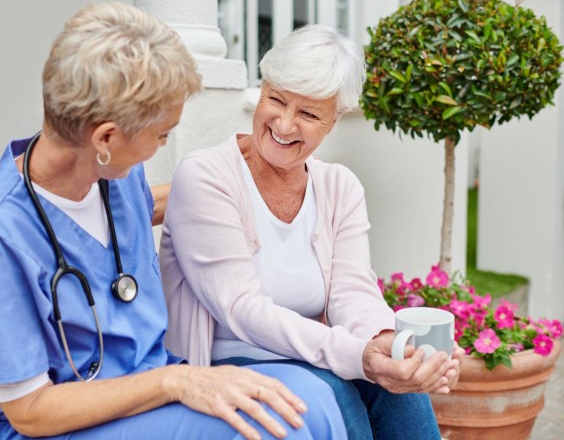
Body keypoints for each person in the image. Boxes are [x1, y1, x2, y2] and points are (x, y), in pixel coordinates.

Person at [0, 2, 347, 440]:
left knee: (311, 400)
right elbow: (31, 410)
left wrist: (242, 187)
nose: (162, 145)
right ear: (105, 137)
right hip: (58, 421)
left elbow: (146, 211)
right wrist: (175, 382)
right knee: (266, 429)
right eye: (161, 135)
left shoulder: (114, 175)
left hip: (143, 384)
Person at [159, 24, 466, 440]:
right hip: (229, 365)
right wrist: (356, 355)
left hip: (319, 355)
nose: (284, 125)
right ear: (261, 88)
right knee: (334, 391)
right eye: (276, 100)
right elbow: (242, 309)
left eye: (307, 114)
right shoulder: (206, 176)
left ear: (334, 120)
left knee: (401, 391)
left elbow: (353, 291)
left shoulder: (340, 187)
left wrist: (393, 347)